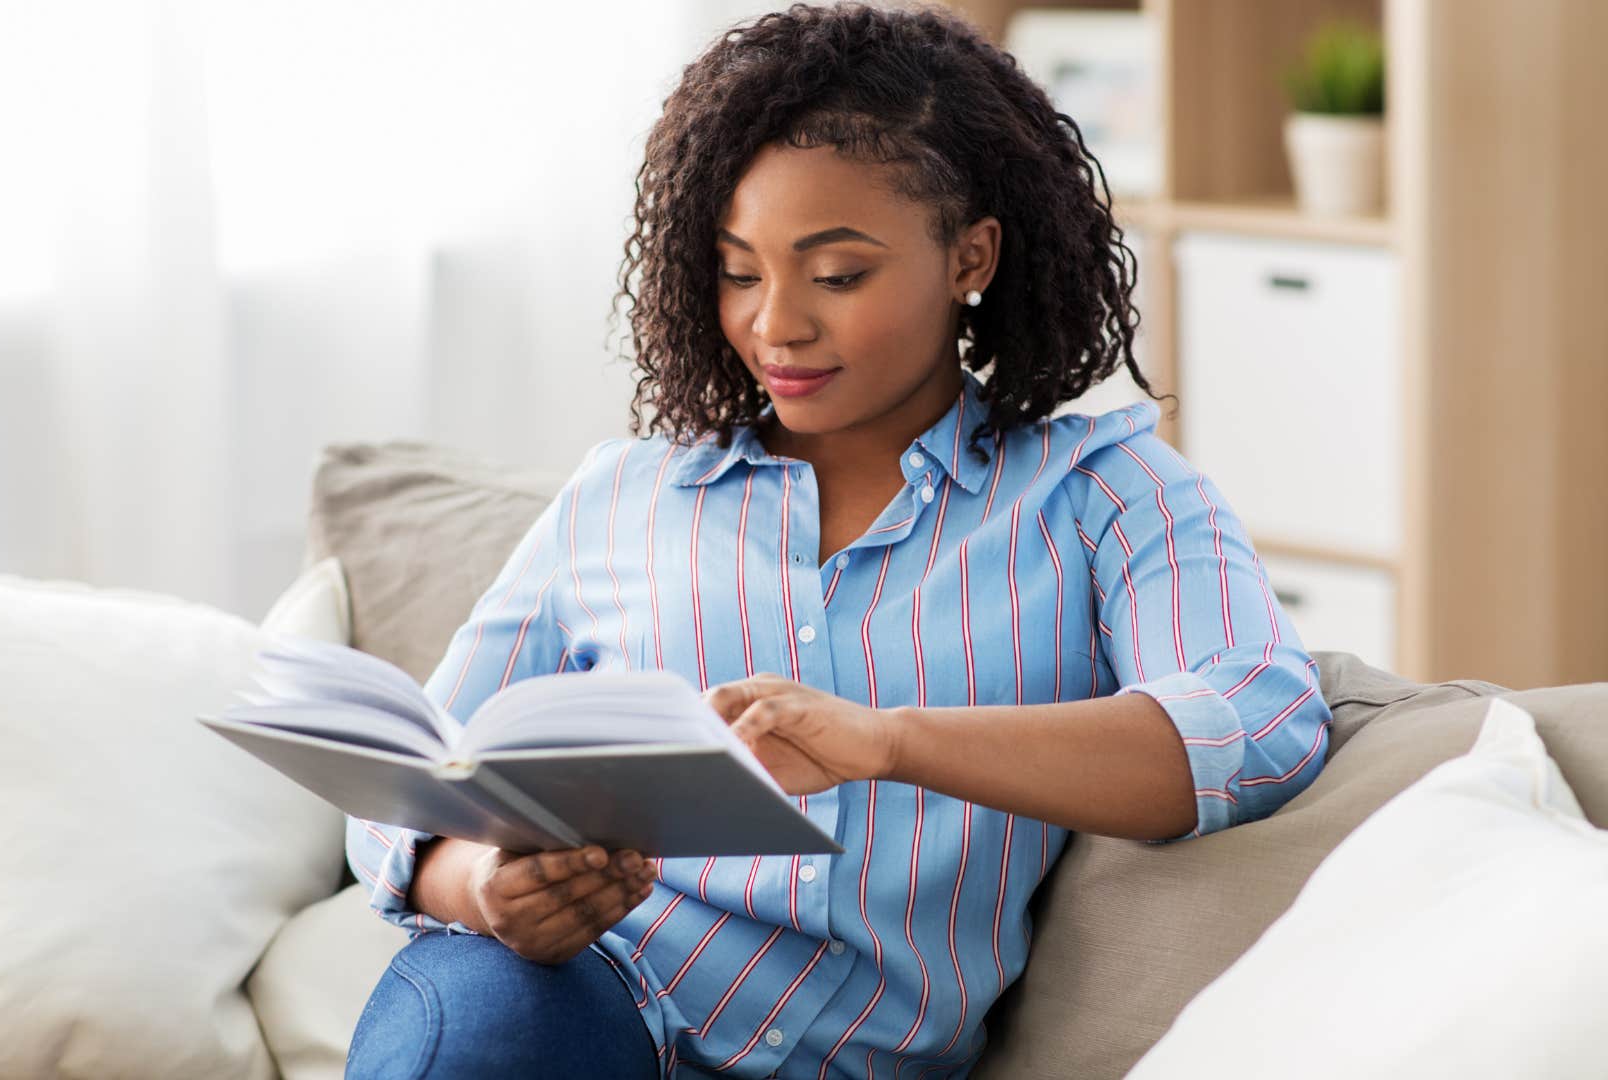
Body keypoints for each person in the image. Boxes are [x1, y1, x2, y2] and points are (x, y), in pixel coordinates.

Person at [342, 3, 1332, 1077]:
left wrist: (894, 741)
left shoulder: (1102, 491)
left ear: (971, 256)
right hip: (577, 1011)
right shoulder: (623, 495)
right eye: (738, 270)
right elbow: (412, 787)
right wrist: (482, 884)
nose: (777, 325)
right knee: (484, 1022)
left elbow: (1255, 720)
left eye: (838, 274)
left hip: (869, 1059)